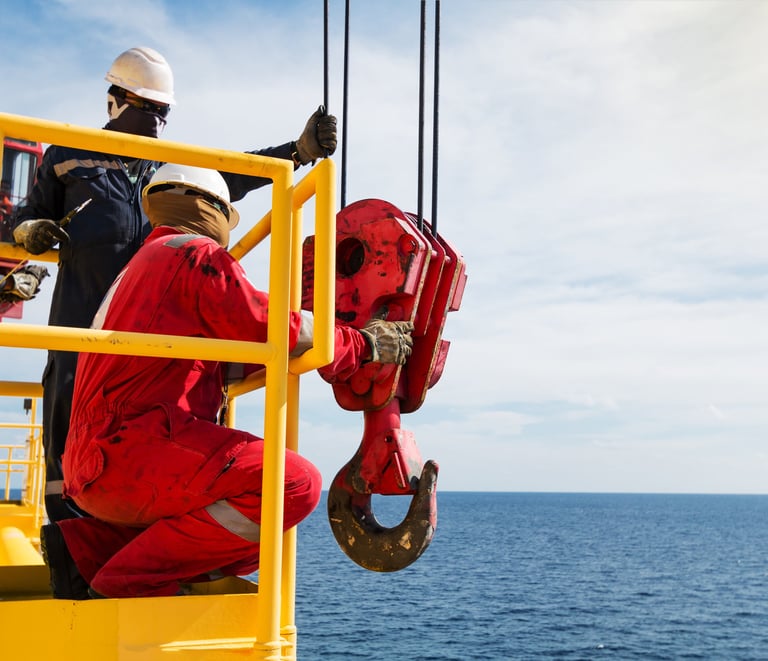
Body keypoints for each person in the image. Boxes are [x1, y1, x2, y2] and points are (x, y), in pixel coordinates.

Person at [39, 164, 414, 599]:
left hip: (94, 467)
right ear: (212, 210)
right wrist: (361, 344)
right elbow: (262, 321)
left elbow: (224, 357)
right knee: (291, 486)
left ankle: (86, 550)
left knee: (252, 534)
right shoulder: (191, 254)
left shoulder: (140, 269)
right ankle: (127, 579)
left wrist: (307, 354)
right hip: (134, 452)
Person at [11, 46, 337, 522]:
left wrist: (297, 152)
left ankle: (143, 548)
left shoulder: (167, 163)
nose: (158, 122)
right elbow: (24, 215)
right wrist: (28, 233)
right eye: (149, 108)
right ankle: (71, 556)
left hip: (154, 339)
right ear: (115, 101)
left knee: (166, 437)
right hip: (80, 329)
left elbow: (233, 172)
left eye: (163, 112)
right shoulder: (67, 155)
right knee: (66, 444)